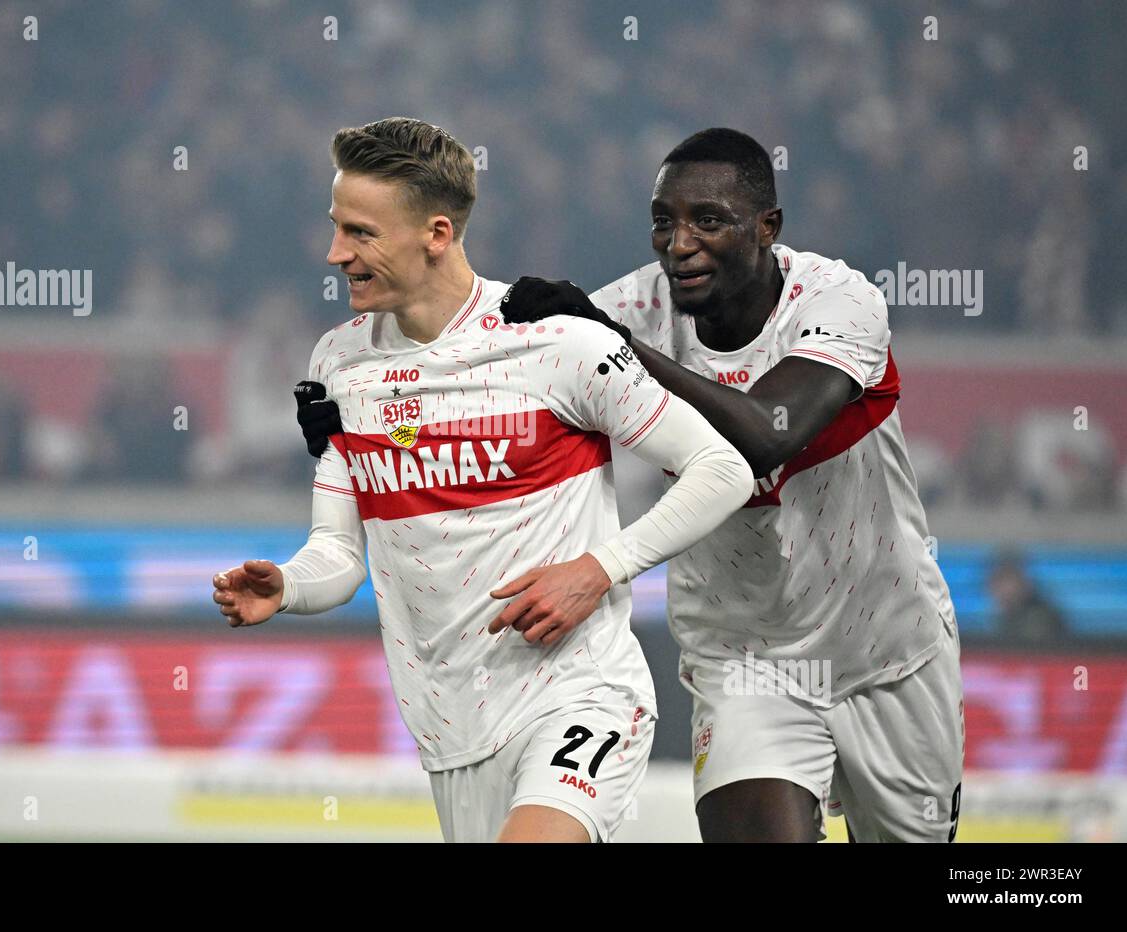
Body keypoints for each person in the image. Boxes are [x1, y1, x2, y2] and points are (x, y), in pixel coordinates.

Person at [299, 128, 965, 843]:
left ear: (768, 227)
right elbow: (493, 356)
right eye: (663, 221)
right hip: (744, 659)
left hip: (890, 647)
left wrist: (620, 343)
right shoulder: (627, 309)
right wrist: (362, 417)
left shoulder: (838, 301)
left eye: (707, 220)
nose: (678, 243)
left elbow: (768, 433)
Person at [218, 118, 754, 843]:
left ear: (436, 234)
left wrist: (600, 568)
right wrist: (287, 586)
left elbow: (722, 468)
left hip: (580, 694)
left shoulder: (555, 341)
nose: (336, 253)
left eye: (361, 234)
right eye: (337, 228)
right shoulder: (339, 364)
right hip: (451, 729)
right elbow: (340, 556)